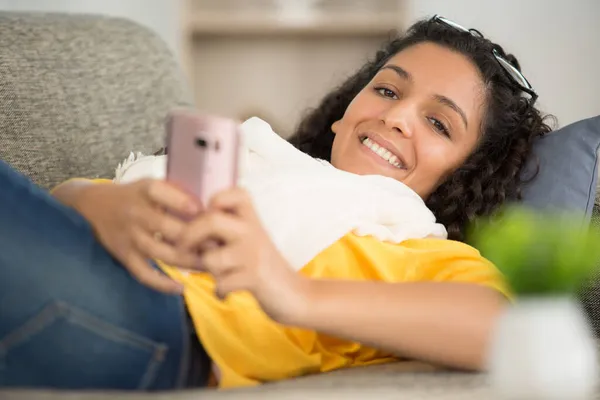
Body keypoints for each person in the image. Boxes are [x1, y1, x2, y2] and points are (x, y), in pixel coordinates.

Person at [0, 15, 552, 390]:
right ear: (343, 110)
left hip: (161, 325)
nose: (396, 116)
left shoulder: (414, 247)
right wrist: (103, 207)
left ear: (466, 172)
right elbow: (63, 201)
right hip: (85, 260)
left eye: (438, 123)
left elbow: (502, 326)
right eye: (387, 89)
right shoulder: (255, 156)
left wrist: (292, 291)